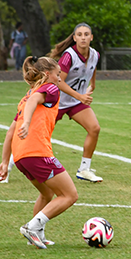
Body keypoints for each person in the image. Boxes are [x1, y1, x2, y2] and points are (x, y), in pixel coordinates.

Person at [0, 55, 78, 249]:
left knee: (47, 193)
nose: (60, 78)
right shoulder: (50, 89)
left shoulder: (25, 96)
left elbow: (10, 131)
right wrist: (26, 122)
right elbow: (35, 100)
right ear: (48, 74)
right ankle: (32, 226)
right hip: (37, 153)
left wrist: (5, 161)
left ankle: (37, 235)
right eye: (58, 74)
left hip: (22, 156)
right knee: (70, 195)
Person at [49, 22, 103, 183]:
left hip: (75, 102)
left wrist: (92, 84)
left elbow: (92, 68)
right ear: (74, 38)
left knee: (94, 128)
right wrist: (80, 97)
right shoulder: (68, 56)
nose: (83, 37)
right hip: (57, 101)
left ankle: (84, 169)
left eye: (86, 34)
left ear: (91, 37)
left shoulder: (94, 54)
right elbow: (59, 82)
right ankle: (10, 162)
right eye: (79, 35)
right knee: (40, 134)